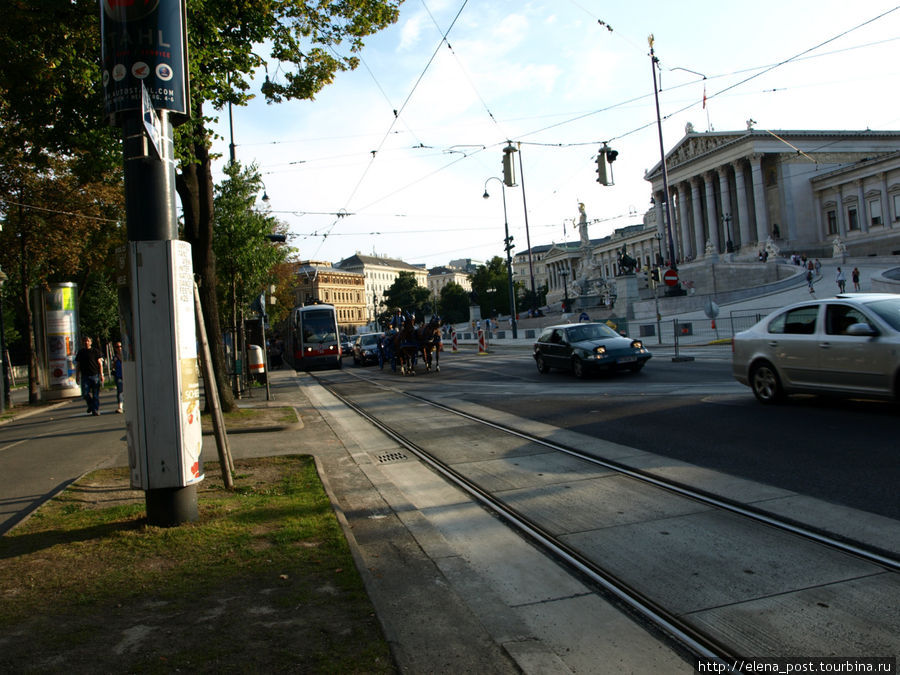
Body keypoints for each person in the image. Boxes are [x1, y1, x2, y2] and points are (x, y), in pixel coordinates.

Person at [74, 336, 104, 416]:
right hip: (85, 376)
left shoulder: (95, 351)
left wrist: (101, 375)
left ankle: (95, 409)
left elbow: (100, 364)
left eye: (88, 341)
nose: (86, 342)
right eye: (84, 341)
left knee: (95, 395)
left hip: (95, 375)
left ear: (91, 342)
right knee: (85, 393)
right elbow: (78, 365)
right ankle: (91, 405)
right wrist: (77, 376)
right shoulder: (81, 352)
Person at [113, 341, 124, 413]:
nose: (119, 348)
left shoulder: (127, 356)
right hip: (119, 376)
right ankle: (120, 407)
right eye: (117, 347)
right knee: (120, 391)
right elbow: (113, 366)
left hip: (127, 375)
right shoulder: (115, 357)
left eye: (120, 346)